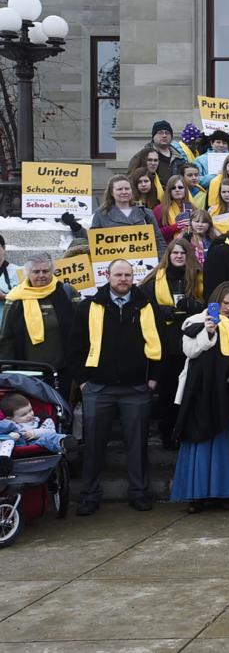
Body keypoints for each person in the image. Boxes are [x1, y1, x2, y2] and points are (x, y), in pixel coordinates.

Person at [68, 259, 165, 515]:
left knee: (138, 446)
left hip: (136, 388)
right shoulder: (89, 306)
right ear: (107, 276)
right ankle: (89, 495)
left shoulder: (146, 305)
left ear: (134, 277)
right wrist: (84, 381)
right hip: (99, 388)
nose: (123, 279)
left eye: (128, 274)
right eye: (118, 274)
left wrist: (153, 377)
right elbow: (75, 347)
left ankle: (140, 493)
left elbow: (160, 343)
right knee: (94, 446)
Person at [170, 281, 229, 511]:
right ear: (216, 300)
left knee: (228, 439)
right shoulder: (195, 320)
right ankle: (198, 494)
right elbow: (190, 350)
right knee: (201, 438)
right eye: (224, 303)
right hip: (201, 391)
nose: (228, 308)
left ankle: (228, 492)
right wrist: (208, 331)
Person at [138, 239, 205, 450]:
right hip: (166, 345)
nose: (178, 256)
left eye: (182, 253)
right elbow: (143, 306)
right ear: (168, 255)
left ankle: (188, 429)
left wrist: (195, 306)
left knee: (190, 391)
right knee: (168, 392)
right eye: (174, 252)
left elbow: (212, 304)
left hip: (192, 342)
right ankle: (168, 434)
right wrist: (163, 312)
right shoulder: (153, 281)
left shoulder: (199, 278)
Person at [0, 252, 79, 389]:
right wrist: (7, 367)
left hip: (63, 370)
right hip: (27, 371)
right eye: (36, 271)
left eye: (45, 271)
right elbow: (7, 336)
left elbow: (80, 327)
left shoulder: (67, 292)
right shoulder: (15, 298)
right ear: (28, 274)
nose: (41, 275)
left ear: (52, 272)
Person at [90, 174, 167, 256]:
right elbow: (94, 244)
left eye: (127, 189)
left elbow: (159, 240)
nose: (124, 192)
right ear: (112, 192)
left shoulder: (145, 212)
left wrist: (161, 262)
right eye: (119, 189)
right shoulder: (101, 213)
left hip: (143, 263)